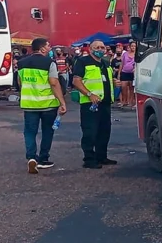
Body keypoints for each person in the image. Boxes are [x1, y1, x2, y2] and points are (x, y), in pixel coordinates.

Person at [18, 38, 68, 173]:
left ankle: (31, 157)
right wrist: (62, 102)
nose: (50, 48)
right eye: (48, 46)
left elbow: (20, 82)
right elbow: (54, 83)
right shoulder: (49, 63)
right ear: (42, 49)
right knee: (47, 131)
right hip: (48, 103)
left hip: (29, 104)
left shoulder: (21, 63)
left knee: (30, 132)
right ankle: (43, 159)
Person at [71, 40, 117, 169]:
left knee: (104, 131)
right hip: (90, 103)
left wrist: (114, 82)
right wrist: (89, 94)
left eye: (102, 47)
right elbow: (76, 81)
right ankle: (89, 159)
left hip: (105, 102)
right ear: (91, 49)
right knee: (90, 132)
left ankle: (102, 157)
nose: (100, 49)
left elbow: (106, 80)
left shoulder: (106, 62)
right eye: (97, 47)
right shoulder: (82, 61)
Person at [119, 40, 137, 107]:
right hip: (124, 72)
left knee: (131, 88)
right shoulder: (125, 54)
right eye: (132, 46)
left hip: (132, 73)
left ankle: (130, 102)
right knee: (123, 87)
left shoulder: (137, 55)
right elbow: (122, 64)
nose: (133, 47)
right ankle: (124, 101)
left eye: (134, 46)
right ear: (129, 46)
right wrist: (119, 73)